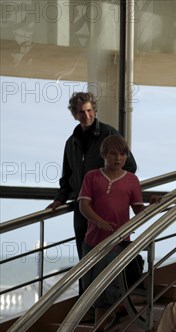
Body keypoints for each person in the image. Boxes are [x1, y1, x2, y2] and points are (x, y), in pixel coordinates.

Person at [47, 92, 137, 262]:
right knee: (84, 259)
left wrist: (109, 189)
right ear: (75, 114)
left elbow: (130, 166)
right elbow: (67, 176)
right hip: (81, 208)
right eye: (81, 112)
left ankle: (107, 289)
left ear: (94, 110)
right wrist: (60, 199)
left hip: (105, 207)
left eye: (89, 110)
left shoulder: (109, 133)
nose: (86, 115)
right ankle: (85, 290)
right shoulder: (71, 142)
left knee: (109, 258)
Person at [78, 135, 144, 332]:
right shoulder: (92, 177)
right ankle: (122, 309)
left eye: (122, 154)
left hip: (118, 243)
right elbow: (83, 206)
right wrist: (99, 222)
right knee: (91, 287)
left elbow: (138, 211)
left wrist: (153, 206)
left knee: (104, 288)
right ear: (104, 155)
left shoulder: (132, 180)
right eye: (114, 153)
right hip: (93, 242)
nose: (118, 158)